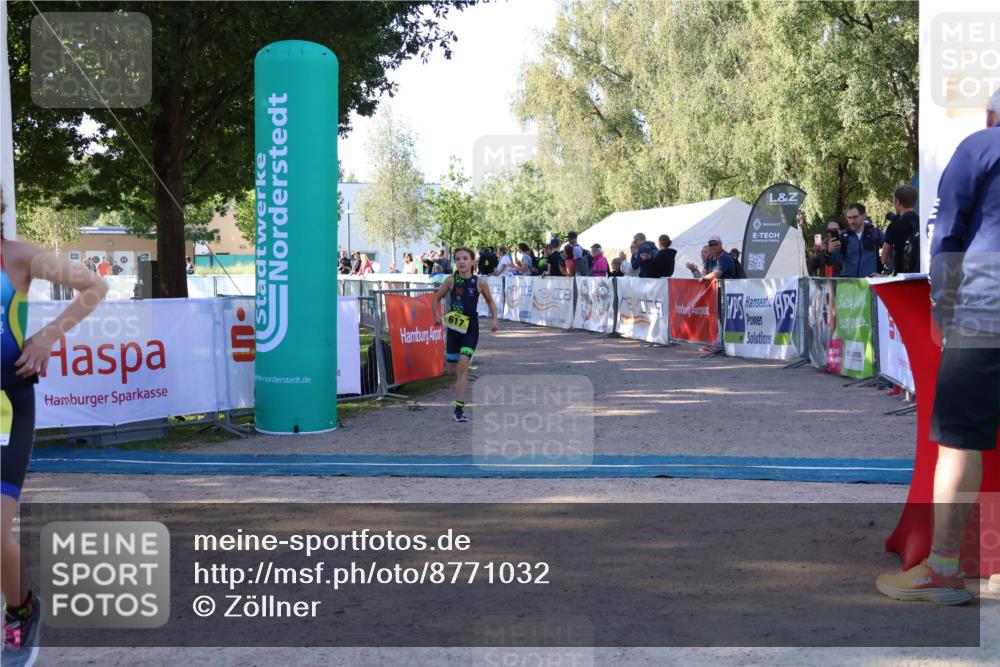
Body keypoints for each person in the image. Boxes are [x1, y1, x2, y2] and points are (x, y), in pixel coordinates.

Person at [875, 88, 1000, 605]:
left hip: (986, 304)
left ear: (991, 115)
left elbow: (947, 233)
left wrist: (941, 305)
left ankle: (944, 569)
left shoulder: (979, 146)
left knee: (958, 439)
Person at [1, 189, 108, 665]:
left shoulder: (17, 257)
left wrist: (47, 337)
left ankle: (20, 610)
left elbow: (94, 286)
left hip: (7, 407)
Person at [432, 247, 498, 422]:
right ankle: (460, 385)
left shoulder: (479, 282)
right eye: (458, 259)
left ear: (472, 262)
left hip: (471, 328)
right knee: (452, 369)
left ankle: (459, 409)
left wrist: (494, 319)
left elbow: (490, 301)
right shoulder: (451, 280)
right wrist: (436, 316)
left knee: (463, 366)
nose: (461, 262)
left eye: (465, 258)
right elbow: (436, 298)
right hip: (454, 328)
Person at [833, 203, 884, 278]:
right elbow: (831, 261)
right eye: (849, 218)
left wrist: (885, 274)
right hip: (847, 282)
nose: (852, 221)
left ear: (864, 215)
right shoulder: (843, 237)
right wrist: (828, 252)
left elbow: (893, 253)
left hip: (869, 282)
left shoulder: (875, 233)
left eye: (855, 217)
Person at [882, 184, 920, 275]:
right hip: (920, 276)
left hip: (902, 277)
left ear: (898, 202)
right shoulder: (922, 223)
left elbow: (884, 258)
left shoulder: (894, 226)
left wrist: (899, 261)